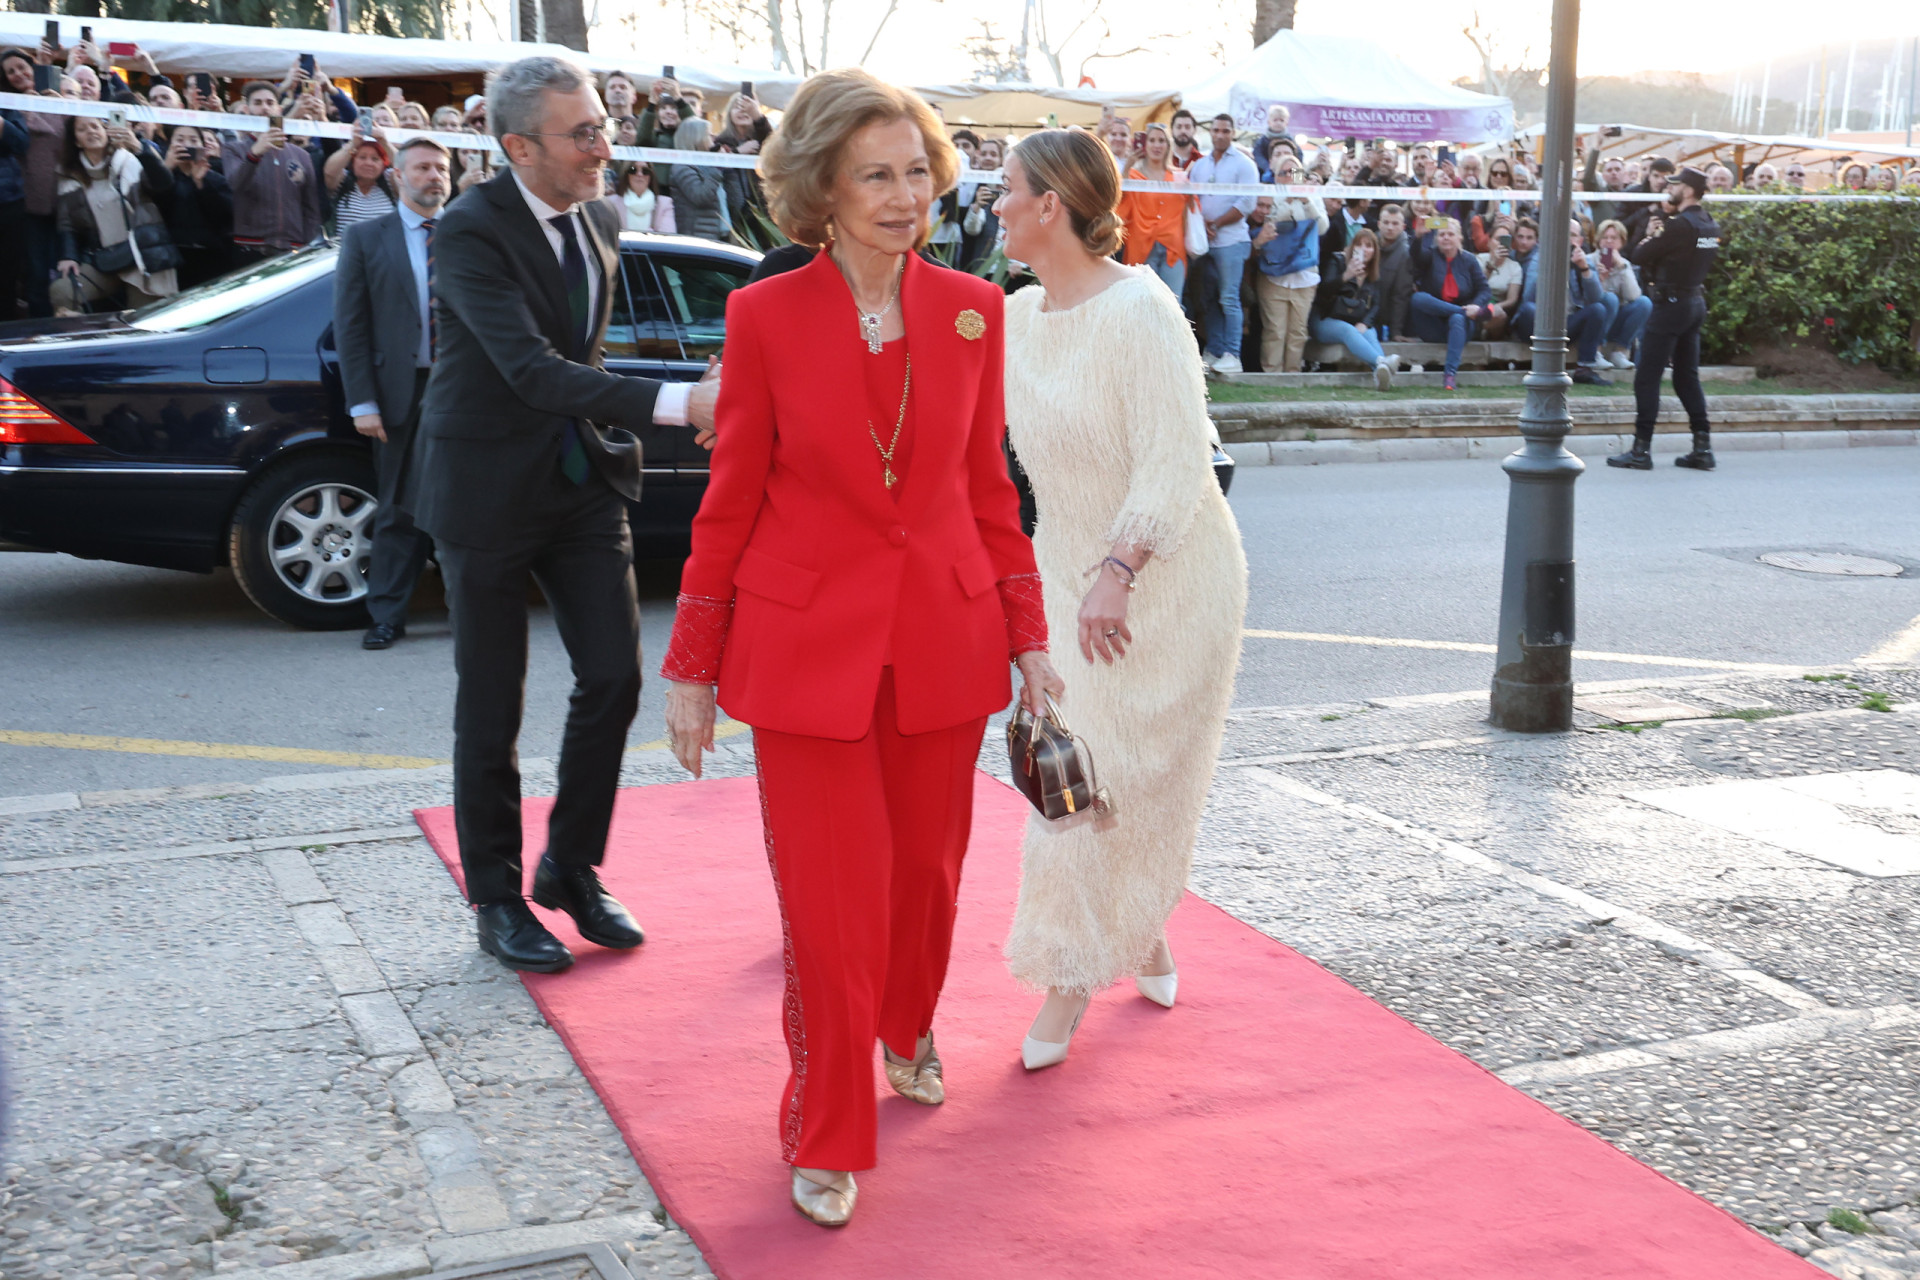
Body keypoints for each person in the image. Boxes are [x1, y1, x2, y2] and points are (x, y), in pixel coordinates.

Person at [658, 68, 1056, 1228]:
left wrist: (1026, 637)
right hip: (804, 652)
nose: (903, 193)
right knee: (831, 910)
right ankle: (826, 1121)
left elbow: (990, 491)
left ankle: (908, 1017)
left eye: (917, 170)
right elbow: (727, 504)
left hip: (943, 634)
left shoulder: (974, 308)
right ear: (820, 190)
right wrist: (691, 665)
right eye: (874, 174)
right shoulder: (764, 316)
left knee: (924, 883)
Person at [407, 56, 720, 978]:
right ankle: (498, 901)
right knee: (490, 703)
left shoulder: (605, 216)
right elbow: (534, 369)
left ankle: (571, 866)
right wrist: (678, 405)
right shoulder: (467, 231)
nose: (604, 145)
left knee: (615, 682)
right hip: (484, 492)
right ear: (516, 146)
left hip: (581, 483)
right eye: (582, 133)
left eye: (602, 126)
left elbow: (580, 359)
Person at [991, 125, 1247, 1069]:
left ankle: (1066, 983)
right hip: (1067, 576)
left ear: (1050, 205)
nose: (997, 203)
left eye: (1008, 188)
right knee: (1078, 774)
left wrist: (1118, 572)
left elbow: (1179, 462)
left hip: (1165, 584)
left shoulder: (1143, 311)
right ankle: (1139, 930)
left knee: (1117, 777)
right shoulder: (1017, 318)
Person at [334, 137, 453, 652]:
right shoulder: (366, 238)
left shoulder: (468, 236)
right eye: (423, 167)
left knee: (463, 506)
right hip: (399, 392)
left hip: (461, 391)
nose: (434, 177)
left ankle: (469, 611)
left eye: (442, 169)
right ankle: (387, 614)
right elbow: (351, 325)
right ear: (398, 176)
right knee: (398, 509)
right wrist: (363, 401)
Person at [1609, 168, 1719, 472]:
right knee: (1687, 377)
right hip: (1694, 302)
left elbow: (1638, 256)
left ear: (1688, 190)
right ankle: (1702, 447)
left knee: (1647, 377)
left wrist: (1649, 236)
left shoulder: (1680, 226)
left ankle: (1640, 451)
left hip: (1671, 304)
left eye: (1676, 184)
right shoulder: (1710, 224)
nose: (1670, 189)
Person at [51, 113, 179, 315]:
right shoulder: (69, 176)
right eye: (83, 129)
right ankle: (85, 341)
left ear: (106, 131)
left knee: (142, 322)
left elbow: (164, 186)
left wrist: (139, 148)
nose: (91, 131)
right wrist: (69, 256)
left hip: (142, 257)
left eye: (95, 126)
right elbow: (67, 223)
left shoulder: (130, 160)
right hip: (106, 260)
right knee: (62, 292)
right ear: (76, 140)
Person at [224, 80, 322, 263]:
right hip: (250, 248)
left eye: (270, 103)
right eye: (258, 103)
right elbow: (235, 184)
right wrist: (254, 154)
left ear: (278, 109)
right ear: (247, 110)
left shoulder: (301, 155)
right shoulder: (234, 149)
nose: (265, 108)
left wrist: (310, 248)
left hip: (294, 250)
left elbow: (311, 209)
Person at [1189, 113, 1258, 374]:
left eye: (1225, 131)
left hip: (1232, 242)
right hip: (1206, 244)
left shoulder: (1245, 164)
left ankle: (1233, 354)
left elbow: (1247, 203)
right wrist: (1203, 226)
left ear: (1233, 133)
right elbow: (1192, 199)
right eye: (1216, 130)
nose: (1220, 135)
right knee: (1209, 300)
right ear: (1211, 132)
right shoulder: (1200, 165)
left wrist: (1216, 224)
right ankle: (1216, 350)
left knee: (1229, 298)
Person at [1519, 215, 1609, 384]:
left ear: (1580, 240)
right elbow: (1528, 296)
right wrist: (1553, 265)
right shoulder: (1540, 256)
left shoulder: (1584, 260)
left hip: (1566, 323)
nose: (1568, 239)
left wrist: (1584, 269)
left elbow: (1597, 297)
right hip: (1539, 322)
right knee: (1528, 309)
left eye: (1573, 235)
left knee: (1598, 309)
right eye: (1564, 233)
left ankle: (1584, 368)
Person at [1408, 217, 1489, 389]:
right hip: (1434, 324)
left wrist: (1476, 305)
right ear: (1437, 239)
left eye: (1450, 234)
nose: (1445, 238)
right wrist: (1418, 237)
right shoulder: (1430, 255)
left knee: (1457, 319)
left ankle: (1450, 374)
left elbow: (1484, 290)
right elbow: (1416, 256)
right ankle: (1459, 310)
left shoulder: (1469, 260)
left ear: (1459, 238)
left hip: (1461, 327)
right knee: (1418, 298)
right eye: (1442, 234)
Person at [1250, 192, 1326, 374]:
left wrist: (1306, 200)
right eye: (1285, 172)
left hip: (1304, 276)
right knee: (1274, 330)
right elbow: (1270, 225)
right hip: (1274, 274)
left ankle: (1292, 376)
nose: (1290, 176)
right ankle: (1272, 374)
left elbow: (1322, 227)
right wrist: (1287, 202)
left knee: (1298, 332)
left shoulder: (1313, 197)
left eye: (1295, 172)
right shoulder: (1271, 197)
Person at [1312, 226, 1392, 388]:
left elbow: (1376, 304)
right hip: (1325, 319)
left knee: (1370, 332)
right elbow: (1323, 292)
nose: (1364, 250)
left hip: (1353, 320)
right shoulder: (1338, 261)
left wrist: (1366, 322)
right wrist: (1346, 275)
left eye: (1369, 246)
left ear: (1374, 251)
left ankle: (1381, 374)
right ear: (1352, 246)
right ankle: (1382, 362)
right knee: (1348, 330)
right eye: (1359, 245)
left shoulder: (1374, 274)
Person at [1117, 122, 1190, 296]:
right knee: (1142, 303)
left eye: (1161, 140)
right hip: (1141, 247)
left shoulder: (1178, 176)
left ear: (1168, 145)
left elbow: (1187, 212)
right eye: (1152, 140)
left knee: (1174, 305)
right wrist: (1127, 168)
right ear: (1144, 144)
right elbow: (1120, 207)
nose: (1157, 145)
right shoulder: (1133, 175)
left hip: (1173, 247)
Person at [157, 125, 234, 289]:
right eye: (180, 140)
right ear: (170, 145)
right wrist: (165, 169)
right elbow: (155, 208)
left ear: (202, 146)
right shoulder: (163, 176)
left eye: (193, 140)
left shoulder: (216, 178)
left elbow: (225, 218)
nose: (186, 145)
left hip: (212, 257)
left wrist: (201, 183)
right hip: (173, 256)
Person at [1592, 218, 1649, 369]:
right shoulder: (1589, 260)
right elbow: (1589, 298)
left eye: (1614, 238)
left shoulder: (1624, 264)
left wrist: (1622, 268)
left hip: (1617, 318)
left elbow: (1633, 297)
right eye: (1605, 237)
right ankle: (1596, 352)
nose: (1609, 241)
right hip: (1596, 318)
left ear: (1622, 242)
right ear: (1598, 240)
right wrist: (1600, 279)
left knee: (1644, 303)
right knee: (1610, 299)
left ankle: (1619, 353)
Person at [666, 115, 726, 240]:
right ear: (697, 138)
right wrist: (717, 168)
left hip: (711, 234)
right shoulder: (682, 166)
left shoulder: (705, 165)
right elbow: (700, 196)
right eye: (709, 135)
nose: (714, 138)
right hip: (696, 236)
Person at [325, 136, 398, 231]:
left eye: (375, 159)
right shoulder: (343, 178)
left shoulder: (390, 181)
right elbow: (329, 173)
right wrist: (353, 143)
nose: (368, 163)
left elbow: (406, 169)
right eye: (362, 157)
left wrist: (384, 141)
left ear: (383, 164)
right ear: (353, 161)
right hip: (343, 245)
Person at [1371, 203, 1415, 342]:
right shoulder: (1368, 244)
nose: (1390, 227)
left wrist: (1396, 331)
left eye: (1395, 223)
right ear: (1379, 224)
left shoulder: (1406, 253)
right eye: (1386, 222)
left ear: (1403, 226)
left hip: (1386, 317)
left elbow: (1400, 296)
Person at [1476, 225, 1522, 340]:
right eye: (1498, 239)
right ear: (1489, 242)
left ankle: (1487, 335)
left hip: (1497, 306)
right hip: (1478, 302)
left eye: (1504, 240)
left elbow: (1512, 299)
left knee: (1498, 313)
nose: (1500, 244)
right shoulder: (1479, 260)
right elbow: (1476, 287)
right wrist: (1493, 264)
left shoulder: (1514, 267)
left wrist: (1496, 306)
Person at [600, 160, 666, 231]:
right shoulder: (611, 203)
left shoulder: (664, 203)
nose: (639, 174)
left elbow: (667, 238)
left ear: (651, 176)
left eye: (645, 171)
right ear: (626, 174)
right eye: (633, 170)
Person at [1251, 103, 1295, 182]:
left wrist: (1299, 180)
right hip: (1266, 172)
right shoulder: (1262, 140)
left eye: (1282, 120)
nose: (1278, 123)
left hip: (1288, 174)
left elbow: (1298, 158)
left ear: (1286, 123)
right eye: (1275, 120)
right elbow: (1257, 155)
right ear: (1269, 122)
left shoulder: (1291, 141)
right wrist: (1268, 168)